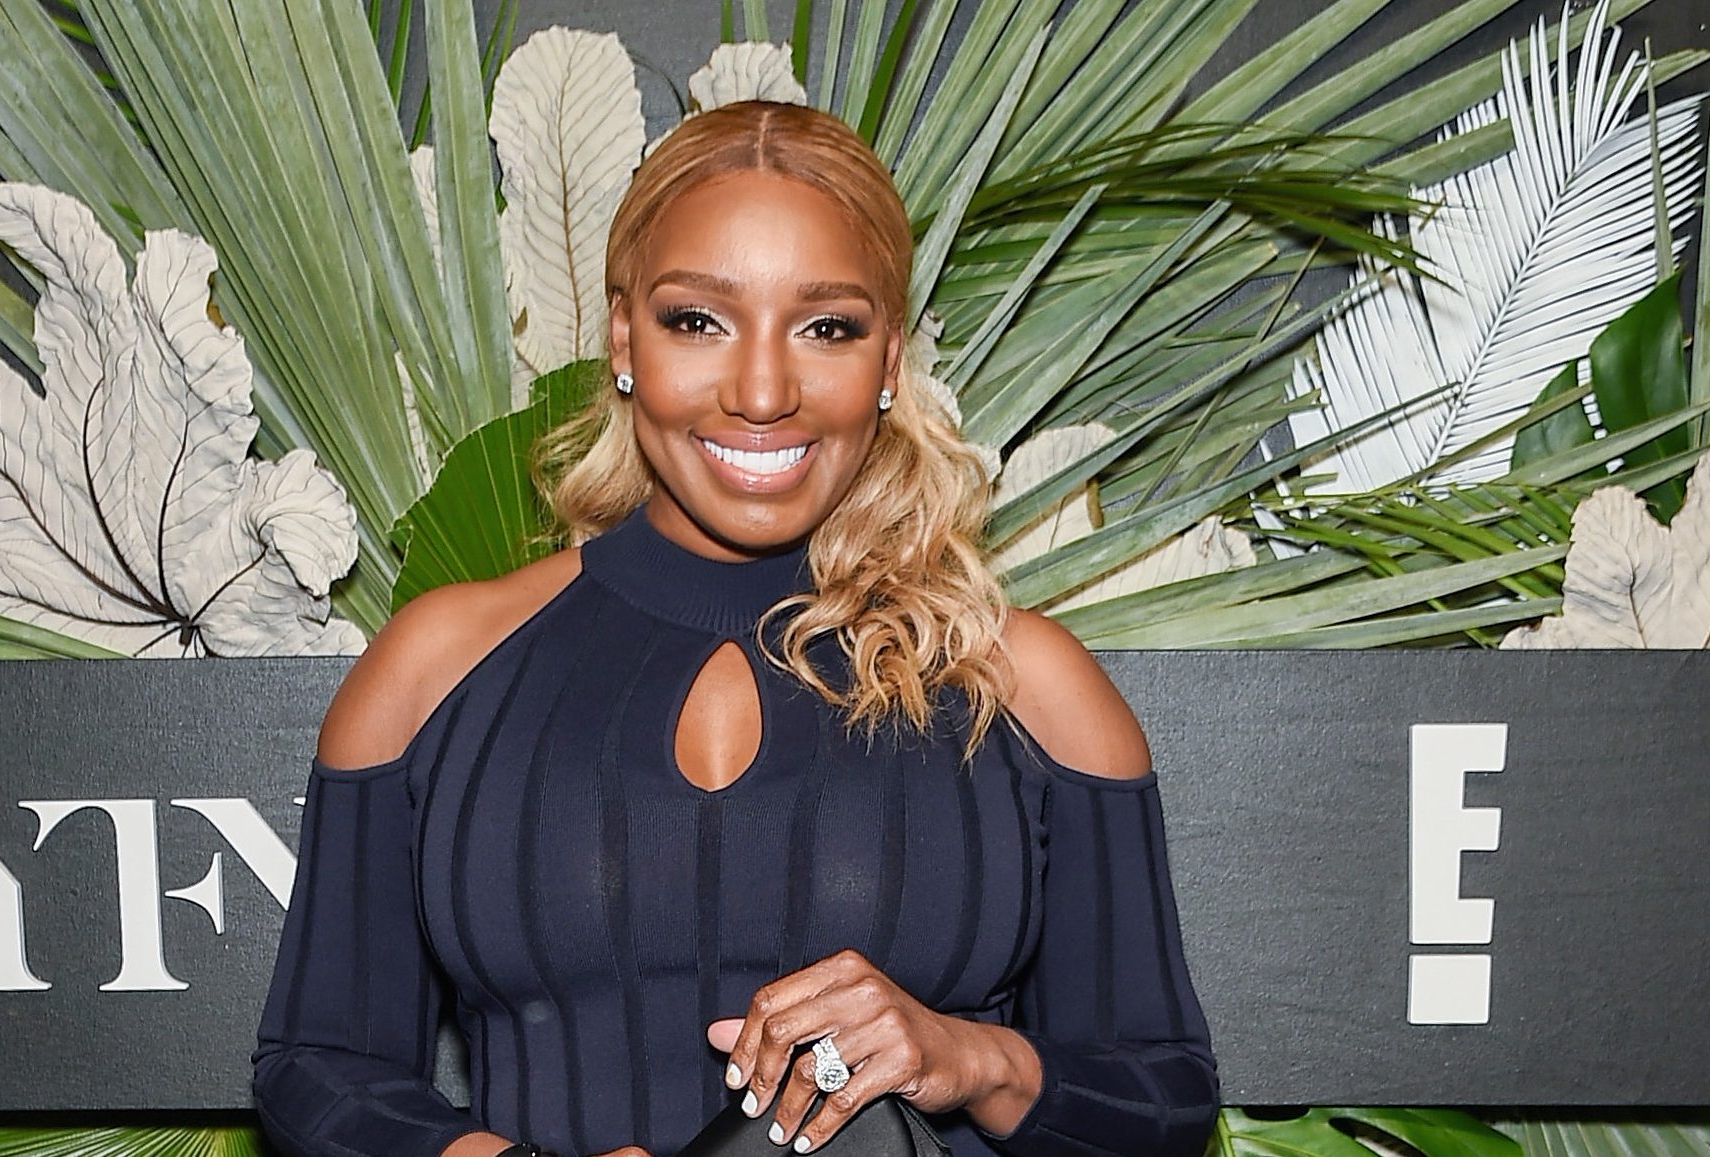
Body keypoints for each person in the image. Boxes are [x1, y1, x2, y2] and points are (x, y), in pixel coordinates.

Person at [252, 100, 1217, 1157]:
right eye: (698, 321)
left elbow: (1163, 1104)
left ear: (889, 359)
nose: (762, 391)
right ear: (623, 337)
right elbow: (317, 1068)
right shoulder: (433, 670)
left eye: (827, 327)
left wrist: (969, 1056)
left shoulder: (1026, 687)